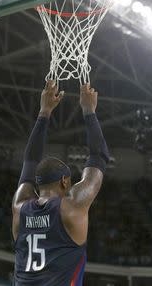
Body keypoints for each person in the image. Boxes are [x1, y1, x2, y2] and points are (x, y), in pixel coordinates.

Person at [12, 80, 109, 286]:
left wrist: (44, 112)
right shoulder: (71, 208)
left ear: (38, 184)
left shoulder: (20, 208)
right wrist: (89, 110)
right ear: (65, 181)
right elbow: (99, 155)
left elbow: (30, 161)